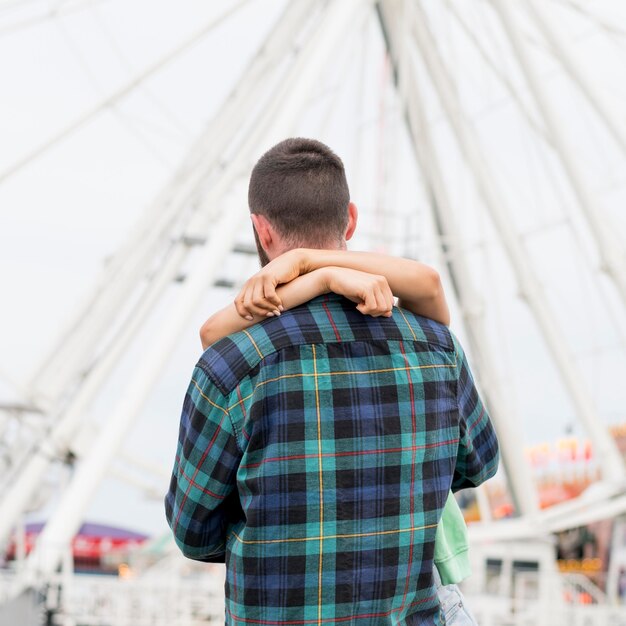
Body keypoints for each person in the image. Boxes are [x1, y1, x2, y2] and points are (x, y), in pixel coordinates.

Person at [165, 138, 500, 625]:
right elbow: (479, 462)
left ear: (261, 230)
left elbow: (193, 531)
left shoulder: (231, 366)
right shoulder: (436, 347)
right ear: (351, 220)